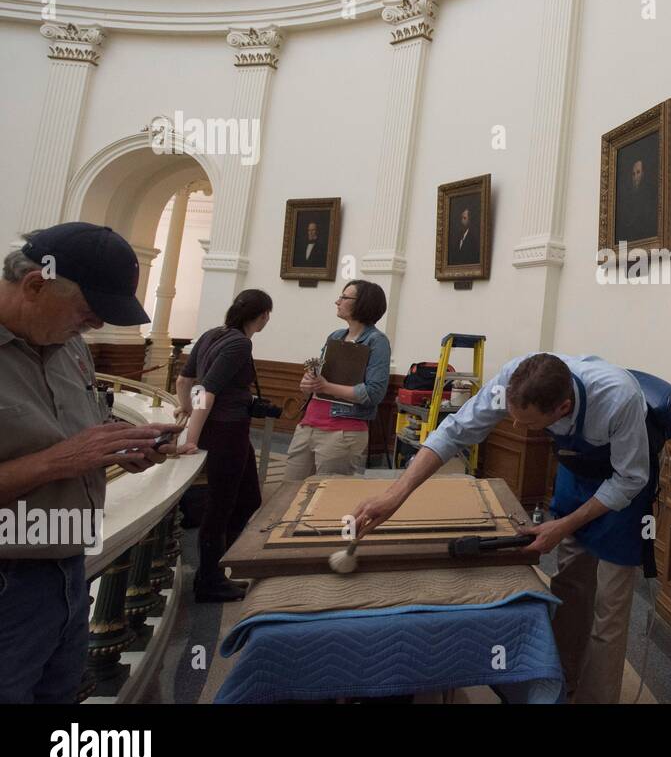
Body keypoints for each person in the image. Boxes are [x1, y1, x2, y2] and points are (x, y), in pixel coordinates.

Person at [351, 353, 654, 703]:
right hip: (579, 468)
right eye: (511, 415)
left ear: (562, 408)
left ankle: (596, 697)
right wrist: (396, 495)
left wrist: (563, 525)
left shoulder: (619, 400)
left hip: (625, 479)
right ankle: (561, 683)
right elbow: (457, 430)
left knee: (609, 607)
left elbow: (630, 479)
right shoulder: (515, 377)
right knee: (572, 584)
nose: (513, 426)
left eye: (525, 424)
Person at [0, 224, 191, 703]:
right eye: (86, 315)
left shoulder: (69, 349)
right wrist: (56, 462)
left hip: (64, 573)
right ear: (36, 284)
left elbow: (82, 437)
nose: (90, 329)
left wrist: (123, 450)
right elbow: (62, 454)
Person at [176, 289, 273, 602]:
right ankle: (210, 579)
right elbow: (206, 390)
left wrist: (185, 408)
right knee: (221, 505)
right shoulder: (240, 343)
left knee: (248, 497)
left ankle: (222, 566)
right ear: (262, 316)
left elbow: (183, 381)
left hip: (227, 430)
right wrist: (191, 437)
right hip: (226, 431)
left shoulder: (211, 334)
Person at [287, 280, 391, 479]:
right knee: (289, 489)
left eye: (344, 297)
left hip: (342, 431)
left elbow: (373, 393)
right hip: (309, 423)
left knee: (323, 496)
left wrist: (326, 386)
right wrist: (308, 384)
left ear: (362, 303)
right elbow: (319, 380)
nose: (337, 301)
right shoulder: (335, 336)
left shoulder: (377, 341)